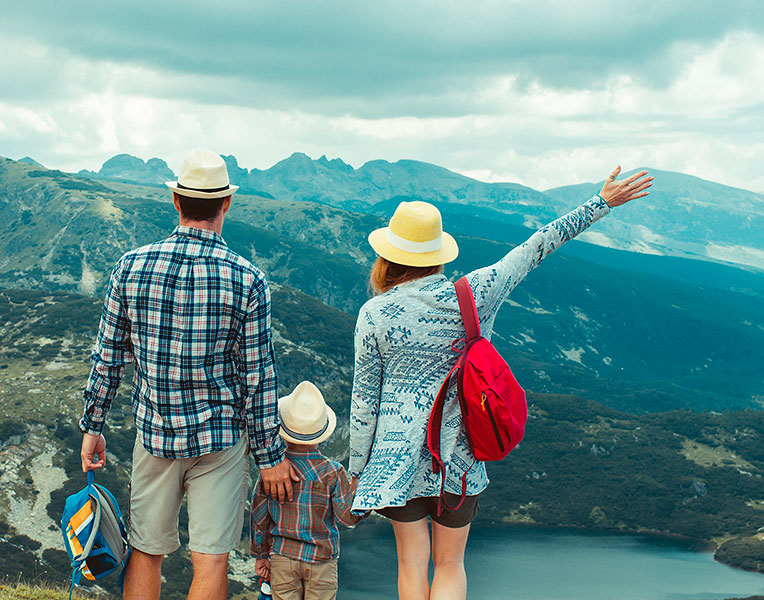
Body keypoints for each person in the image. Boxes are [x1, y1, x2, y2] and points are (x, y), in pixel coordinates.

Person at [349, 166, 652, 599]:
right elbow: (535, 247)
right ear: (437, 253)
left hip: (396, 463)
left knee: (410, 563)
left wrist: (358, 471)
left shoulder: (373, 314)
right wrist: (600, 202)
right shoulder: (474, 292)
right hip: (459, 458)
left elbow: (365, 404)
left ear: (388, 257)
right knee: (451, 564)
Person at [78, 149, 299, 600]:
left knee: (144, 550)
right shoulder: (248, 279)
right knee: (211, 557)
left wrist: (93, 426)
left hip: (155, 434)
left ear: (176, 201)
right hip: (219, 440)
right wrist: (270, 455)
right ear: (227, 205)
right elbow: (258, 378)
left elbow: (108, 357)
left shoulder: (130, 266)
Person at [250, 381, 362, 600]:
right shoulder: (333, 472)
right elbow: (347, 518)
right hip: (322, 558)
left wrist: (261, 555)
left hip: (282, 556)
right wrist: (363, 498)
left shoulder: (272, 472)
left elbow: (259, 516)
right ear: (321, 432)